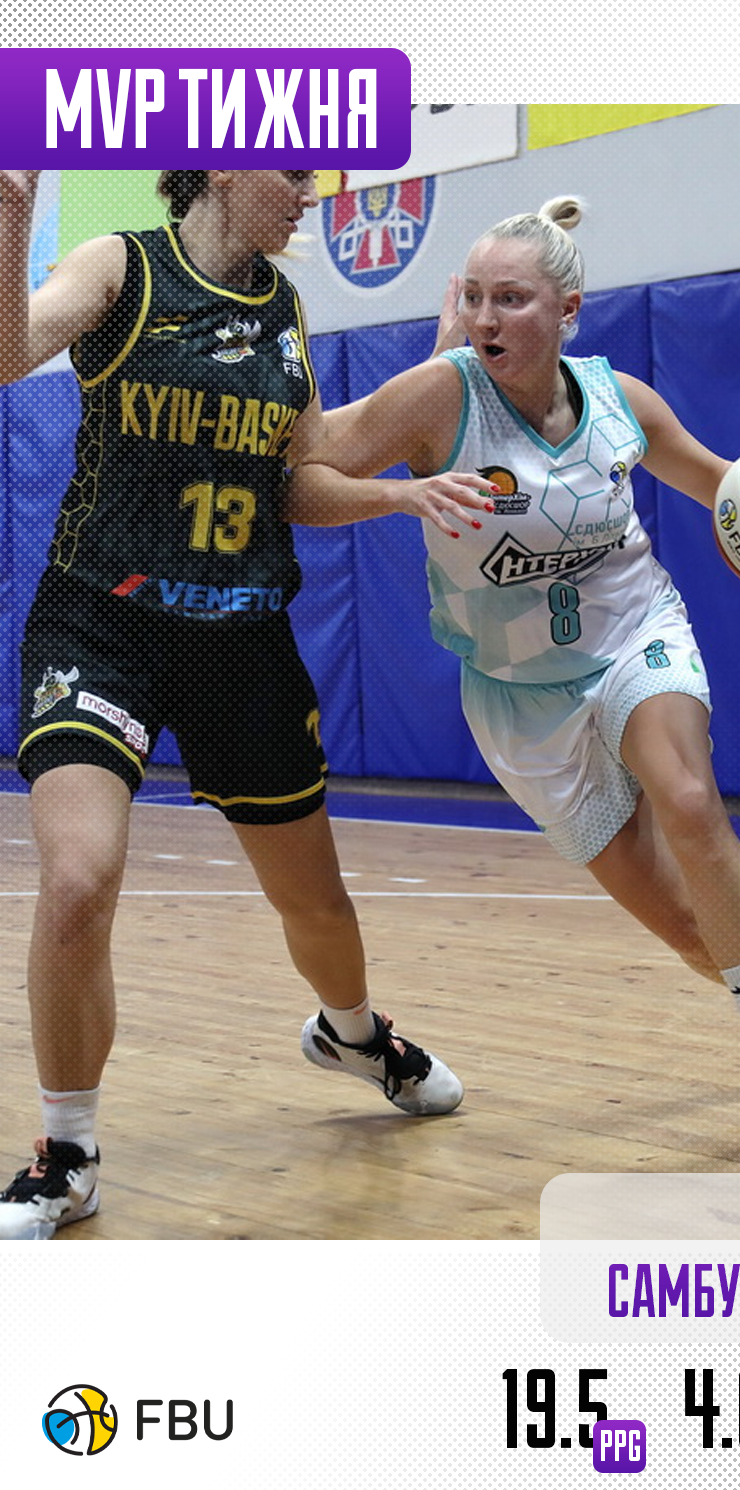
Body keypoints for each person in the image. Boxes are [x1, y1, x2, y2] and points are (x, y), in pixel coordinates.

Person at [284, 195, 740, 1149]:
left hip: (635, 634)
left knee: (689, 798)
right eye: (474, 298)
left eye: (511, 299)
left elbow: (725, 484)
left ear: (568, 311)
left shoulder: (621, 402)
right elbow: (301, 484)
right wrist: (402, 495)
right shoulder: (439, 396)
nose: (485, 317)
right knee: (690, 931)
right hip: (518, 697)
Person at [0, 169, 476, 1240]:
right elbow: (4, 354)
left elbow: (295, 478)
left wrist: (398, 492)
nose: (309, 191)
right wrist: (11, 214)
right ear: (222, 163)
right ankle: (68, 1154)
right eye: (292, 173)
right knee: (77, 881)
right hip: (102, 621)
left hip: (242, 640)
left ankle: (354, 1035)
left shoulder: (284, 310)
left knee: (318, 908)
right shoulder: (123, 267)